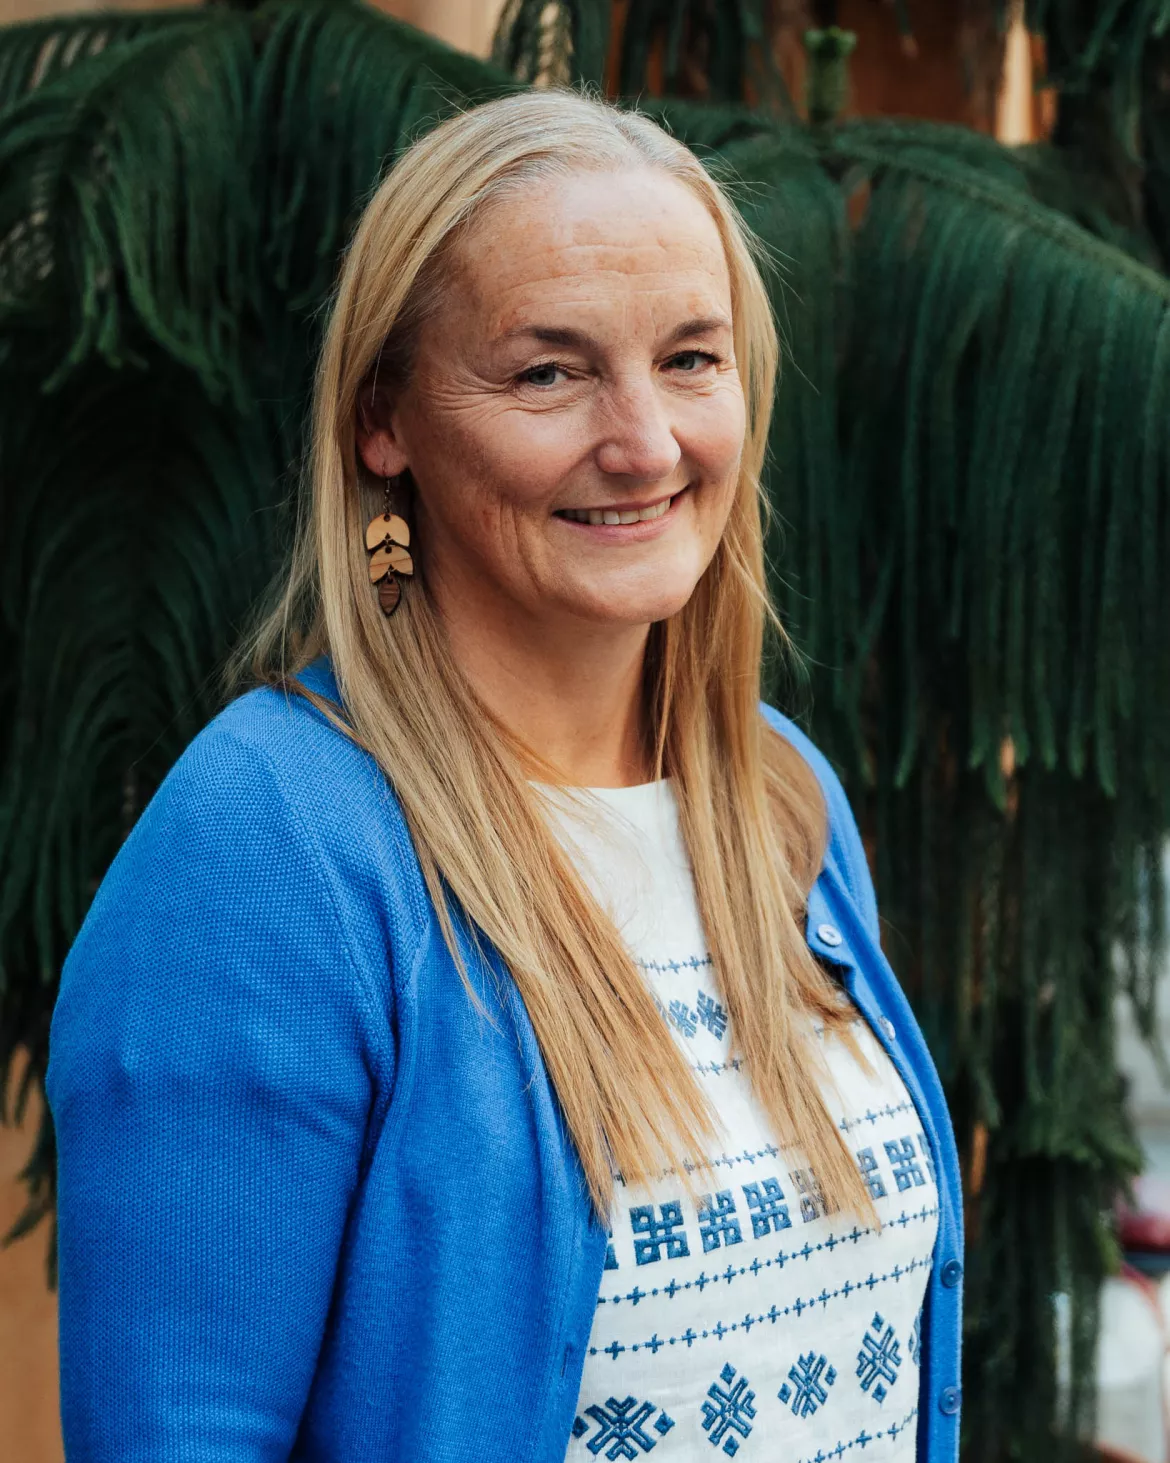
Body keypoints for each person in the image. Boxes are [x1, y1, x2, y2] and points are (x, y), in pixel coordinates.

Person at [46, 88, 962, 1462]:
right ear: (384, 421)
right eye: (547, 372)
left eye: (691, 359)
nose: (646, 443)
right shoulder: (268, 847)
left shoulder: (782, 801)